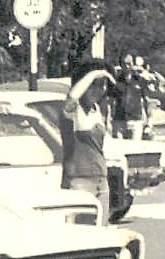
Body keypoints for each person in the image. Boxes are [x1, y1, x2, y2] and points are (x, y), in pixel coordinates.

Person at [61, 59, 115, 223]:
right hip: (79, 181)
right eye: (93, 85)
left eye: (101, 85)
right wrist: (94, 74)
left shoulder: (97, 110)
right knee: (79, 234)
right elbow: (72, 97)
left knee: (101, 232)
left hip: (101, 180)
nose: (97, 90)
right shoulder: (75, 111)